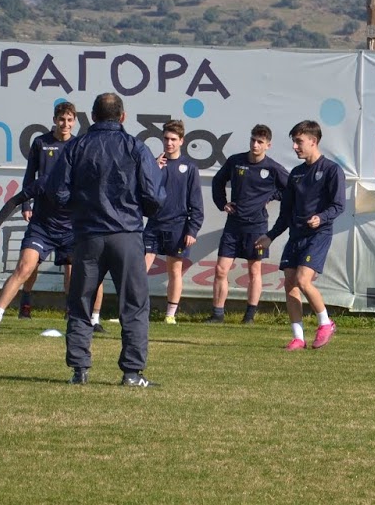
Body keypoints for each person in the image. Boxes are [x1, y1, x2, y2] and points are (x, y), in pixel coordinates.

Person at [46, 92, 165, 386]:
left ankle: (79, 370)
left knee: (81, 302)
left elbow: (57, 192)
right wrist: (138, 211)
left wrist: (80, 210)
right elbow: (154, 196)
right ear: (122, 116)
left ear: (92, 116)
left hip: (88, 236)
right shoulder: (136, 147)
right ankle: (132, 373)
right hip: (126, 235)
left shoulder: (76, 147)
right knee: (134, 304)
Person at [0, 101, 104, 333]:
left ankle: (91, 320)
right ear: (55, 120)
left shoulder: (82, 177)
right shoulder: (44, 173)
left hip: (71, 229)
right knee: (25, 267)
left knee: (87, 271)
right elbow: (16, 198)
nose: (65, 124)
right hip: (43, 225)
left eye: (70, 120)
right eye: (61, 119)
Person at [255, 120, 345, 350]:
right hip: (296, 236)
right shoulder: (295, 174)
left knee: (303, 280)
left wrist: (321, 218)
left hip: (318, 235)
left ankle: (325, 323)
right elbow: (285, 213)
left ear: (313, 141)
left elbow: (338, 205)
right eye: (294, 142)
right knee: (290, 284)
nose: (295, 146)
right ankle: (298, 337)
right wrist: (270, 236)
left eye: (299, 141)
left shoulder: (332, 170)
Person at [206, 123, 289, 324]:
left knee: (254, 271)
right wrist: (222, 203)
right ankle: (217, 315)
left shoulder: (273, 168)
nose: (255, 145)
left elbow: (290, 190)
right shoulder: (236, 161)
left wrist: (272, 196)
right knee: (221, 269)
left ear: (268, 145)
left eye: (260, 142)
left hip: (257, 226)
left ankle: (249, 317)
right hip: (233, 226)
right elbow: (218, 181)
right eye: (253, 140)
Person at [144, 119, 205, 325]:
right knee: (140, 269)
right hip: (154, 224)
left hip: (178, 226)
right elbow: (143, 191)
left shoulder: (189, 167)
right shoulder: (153, 163)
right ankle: (134, 310)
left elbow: (196, 202)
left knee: (174, 271)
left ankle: (170, 314)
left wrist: (192, 230)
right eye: (166, 139)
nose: (168, 143)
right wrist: (154, 170)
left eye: (173, 139)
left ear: (181, 141)